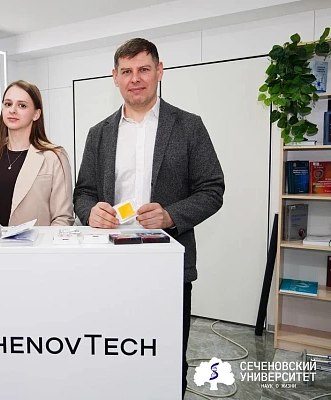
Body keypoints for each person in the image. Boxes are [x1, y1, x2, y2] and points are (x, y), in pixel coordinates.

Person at [73, 38, 225, 397]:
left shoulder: (189, 126)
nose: (135, 78)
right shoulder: (99, 134)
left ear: (159, 71)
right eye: (126, 71)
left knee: (167, 357)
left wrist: (171, 215)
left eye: (143, 69)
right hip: (110, 264)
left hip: (168, 262)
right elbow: (83, 193)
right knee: (113, 350)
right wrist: (90, 212)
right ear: (115, 77)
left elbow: (212, 189)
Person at [0, 80, 74, 227]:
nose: (12, 110)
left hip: (39, 241)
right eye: (8, 104)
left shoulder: (54, 157)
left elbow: (63, 218)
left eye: (22, 105)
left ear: (36, 114)